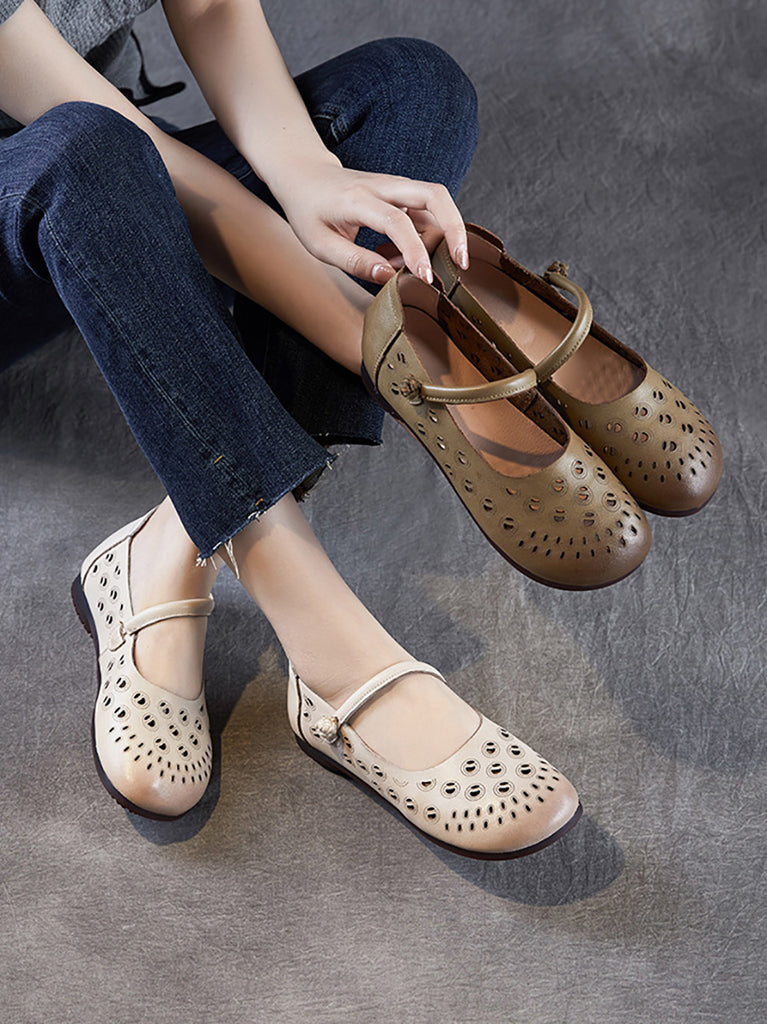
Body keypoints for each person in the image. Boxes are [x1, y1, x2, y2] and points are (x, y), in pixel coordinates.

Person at [0, 0, 583, 857]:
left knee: (413, 89)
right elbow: (92, 129)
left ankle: (167, 549)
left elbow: (212, 9)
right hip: (61, 178)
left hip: (104, 179)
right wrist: (390, 355)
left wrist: (307, 173)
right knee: (86, 150)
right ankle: (332, 647)